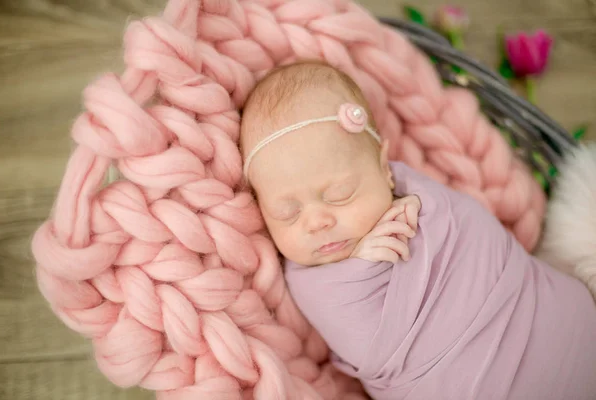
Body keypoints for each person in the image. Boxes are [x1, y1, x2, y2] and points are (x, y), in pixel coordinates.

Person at [239, 60, 596, 399]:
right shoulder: (310, 282)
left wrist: (419, 211)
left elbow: (471, 229)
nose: (316, 222)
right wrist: (364, 266)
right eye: (287, 213)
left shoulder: (425, 201)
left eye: (339, 194)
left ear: (385, 169)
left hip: (555, 322)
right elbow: (366, 346)